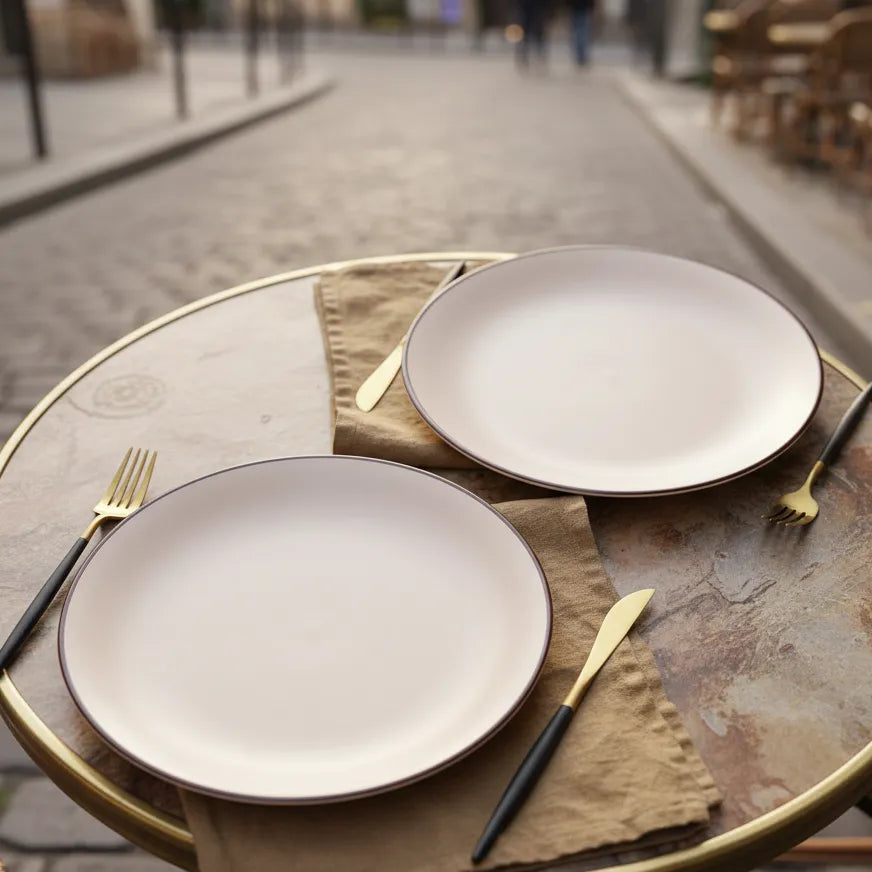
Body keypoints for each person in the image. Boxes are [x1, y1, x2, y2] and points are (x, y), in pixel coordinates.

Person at [517, 0, 549, 67]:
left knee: (538, 35)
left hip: (537, 8)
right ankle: (524, 56)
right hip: (525, 8)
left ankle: (540, 57)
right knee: (525, 36)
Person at [567, 0, 595, 65]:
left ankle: (580, 53)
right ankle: (581, 54)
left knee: (579, 32)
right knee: (582, 32)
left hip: (578, 8)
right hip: (581, 8)